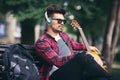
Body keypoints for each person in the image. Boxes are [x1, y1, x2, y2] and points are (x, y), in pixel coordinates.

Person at [35, 4, 119, 80]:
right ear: (49, 21)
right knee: (83, 56)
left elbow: (74, 44)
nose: (62, 23)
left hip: (73, 71)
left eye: (64, 21)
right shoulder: (42, 42)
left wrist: (87, 47)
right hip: (55, 75)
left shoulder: (64, 35)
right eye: (59, 21)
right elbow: (57, 61)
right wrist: (81, 55)